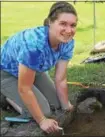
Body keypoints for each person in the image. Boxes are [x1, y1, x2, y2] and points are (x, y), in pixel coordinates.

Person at [1, 1, 77, 134]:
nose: (69, 30)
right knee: (44, 112)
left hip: (34, 70)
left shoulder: (67, 42)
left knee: (57, 104)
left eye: (73, 25)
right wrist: (42, 120)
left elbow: (60, 79)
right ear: (50, 23)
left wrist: (66, 106)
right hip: (7, 72)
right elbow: (24, 88)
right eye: (63, 24)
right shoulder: (34, 45)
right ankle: (5, 98)